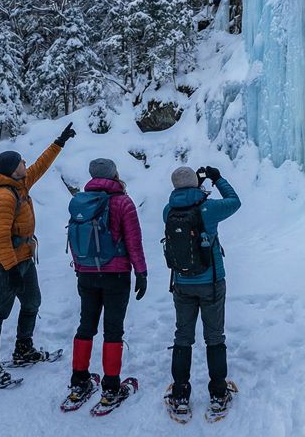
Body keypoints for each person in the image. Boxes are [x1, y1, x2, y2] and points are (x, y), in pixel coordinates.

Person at [0, 123, 77, 383]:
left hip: (25, 257)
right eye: (21, 162)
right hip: (6, 263)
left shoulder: (19, 184)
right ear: (13, 169)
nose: (25, 163)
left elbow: (39, 166)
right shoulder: (3, 196)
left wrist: (60, 142)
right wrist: (10, 270)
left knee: (32, 303)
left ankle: (23, 349)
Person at [65, 158, 147, 410]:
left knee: (85, 325)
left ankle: (79, 381)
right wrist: (141, 272)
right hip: (116, 275)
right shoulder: (122, 201)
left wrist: (81, 268)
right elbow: (133, 241)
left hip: (86, 273)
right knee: (113, 329)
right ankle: (111, 387)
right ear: (114, 174)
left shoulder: (81, 201)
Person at [163, 165, 241, 415]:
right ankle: (218, 393)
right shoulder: (208, 208)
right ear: (196, 185)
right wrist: (216, 179)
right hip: (211, 282)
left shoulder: (169, 210)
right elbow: (234, 201)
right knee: (215, 337)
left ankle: (180, 394)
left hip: (183, 283)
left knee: (183, 337)